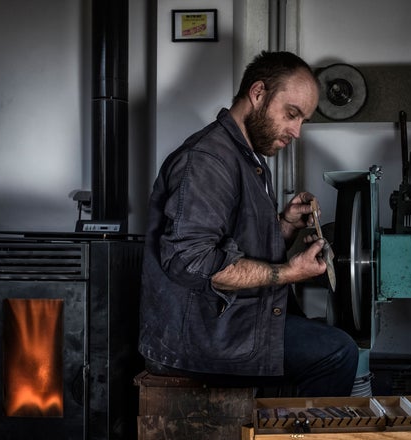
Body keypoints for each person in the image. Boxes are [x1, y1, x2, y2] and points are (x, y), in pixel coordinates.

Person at [138, 51, 359, 400]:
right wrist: (288, 273)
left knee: (324, 335)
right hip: (199, 338)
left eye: (302, 120)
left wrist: (285, 224)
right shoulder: (208, 160)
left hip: (226, 323)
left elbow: (236, 246)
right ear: (258, 93)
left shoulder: (245, 156)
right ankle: (298, 438)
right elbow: (191, 261)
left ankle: (285, 433)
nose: (296, 131)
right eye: (292, 114)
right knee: (337, 352)